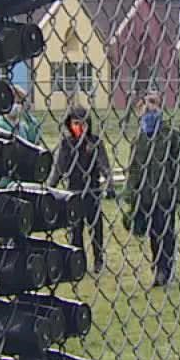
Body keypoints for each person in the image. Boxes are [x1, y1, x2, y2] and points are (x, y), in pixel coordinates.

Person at [124, 93, 180, 287]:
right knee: (153, 233)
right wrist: (131, 193)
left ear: (160, 107)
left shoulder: (171, 136)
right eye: (146, 104)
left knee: (166, 232)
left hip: (166, 195)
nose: (149, 107)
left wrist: (179, 190)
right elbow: (133, 167)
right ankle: (158, 267)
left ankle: (166, 269)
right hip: (146, 196)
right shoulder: (138, 139)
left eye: (153, 103)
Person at [47, 104, 111, 274]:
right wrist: (49, 189)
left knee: (96, 228)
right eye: (75, 123)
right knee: (76, 230)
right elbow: (59, 169)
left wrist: (109, 184)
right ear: (69, 124)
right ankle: (79, 261)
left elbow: (104, 165)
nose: (79, 127)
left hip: (92, 190)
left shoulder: (95, 142)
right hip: (73, 192)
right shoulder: (66, 144)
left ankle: (98, 259)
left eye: (82, 123)